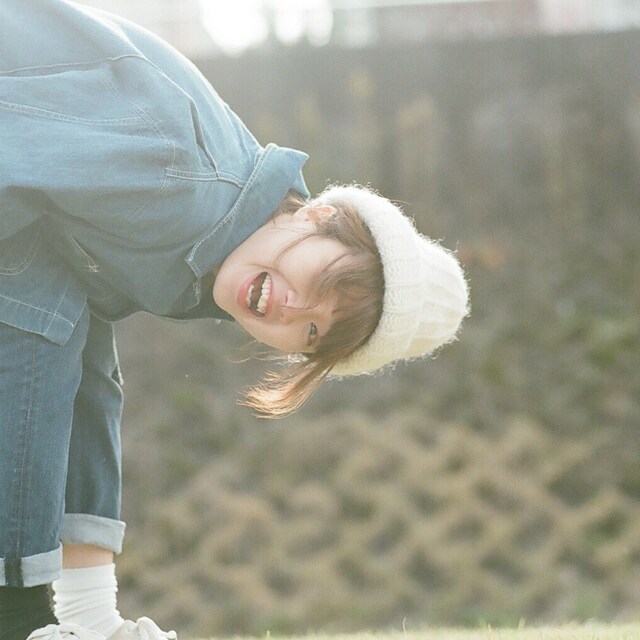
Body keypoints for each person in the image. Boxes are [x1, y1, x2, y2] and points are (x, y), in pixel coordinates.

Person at [0, 1, 469, 639]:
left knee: (63, 334)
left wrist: (92, 615)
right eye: (321, 281)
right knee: (41, 318)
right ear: (317, 217)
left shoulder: (215, 243)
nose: (293, 308)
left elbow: (81, 370)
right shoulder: (183, 180)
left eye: (312, 334)